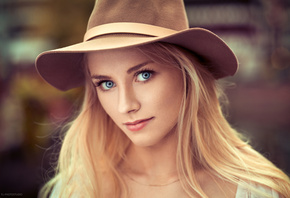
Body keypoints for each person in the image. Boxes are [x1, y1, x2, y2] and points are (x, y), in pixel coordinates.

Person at [35, 0, 290, 197]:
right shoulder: (76, 190)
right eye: (107, 83)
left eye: (144, 75)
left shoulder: (255, 191)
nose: (126, 105)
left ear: (187, 75)